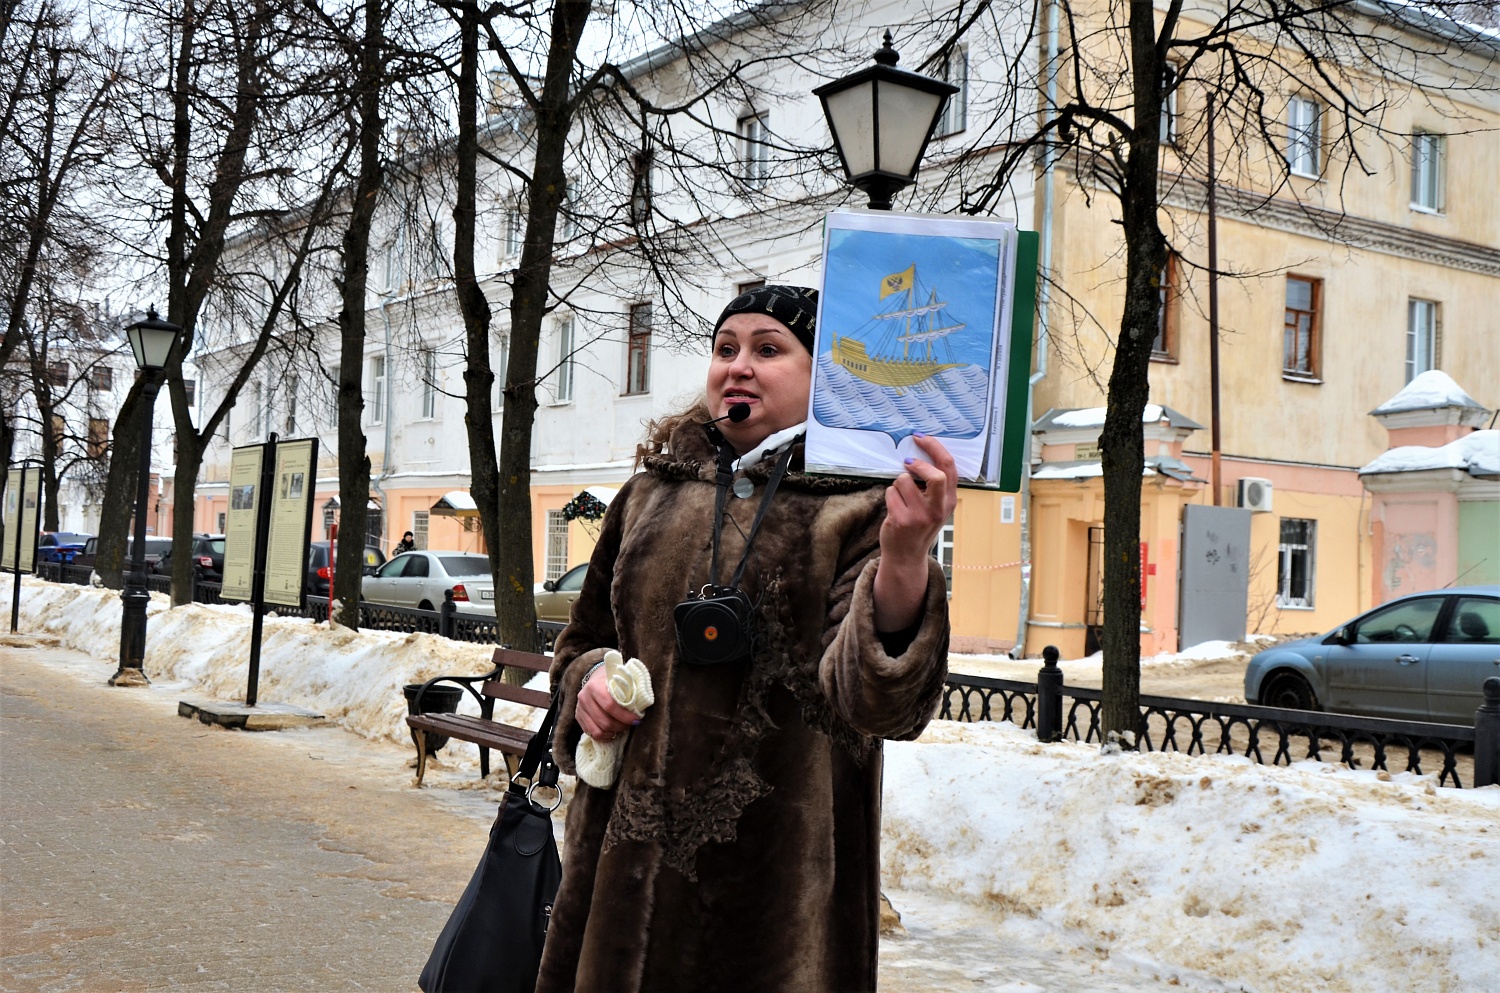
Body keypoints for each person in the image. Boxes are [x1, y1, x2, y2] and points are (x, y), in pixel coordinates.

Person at [536, 284, 955, 993]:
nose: (739, 365)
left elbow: (878, 702)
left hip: (773, 901)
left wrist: (908, 556)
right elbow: (581, 644)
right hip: (620, 883)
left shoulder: (856, 505)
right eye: (725, 349)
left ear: (822, 374)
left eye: (769, 349)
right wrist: (591, 685)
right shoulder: (649, 495)